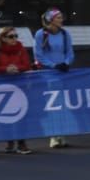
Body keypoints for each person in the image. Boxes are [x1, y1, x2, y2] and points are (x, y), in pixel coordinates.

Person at [33, 9, 74, 148]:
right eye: (58, 18)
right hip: (48, 75)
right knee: (52, 106)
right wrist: (53, 65)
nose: (61, 20)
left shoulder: (64, 33)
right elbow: (38, 55)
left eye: (61, 17)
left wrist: (66, 63)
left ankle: (62, 135)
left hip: (62, 73)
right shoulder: (41, 34)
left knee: (63, 105)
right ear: (51, 20)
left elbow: (70, 52)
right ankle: (53, 136)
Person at [0, 27, 34, 154]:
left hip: (20, 84)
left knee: (21, 113)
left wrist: (16, 68)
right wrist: (6, 69)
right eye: (11, 36)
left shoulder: (21, 48)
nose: (14, 39)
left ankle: (21, 142)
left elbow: (27, 64)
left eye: (16, 36)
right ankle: (9, 141)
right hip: (2, 86)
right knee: (5, 113)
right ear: (3, 38)